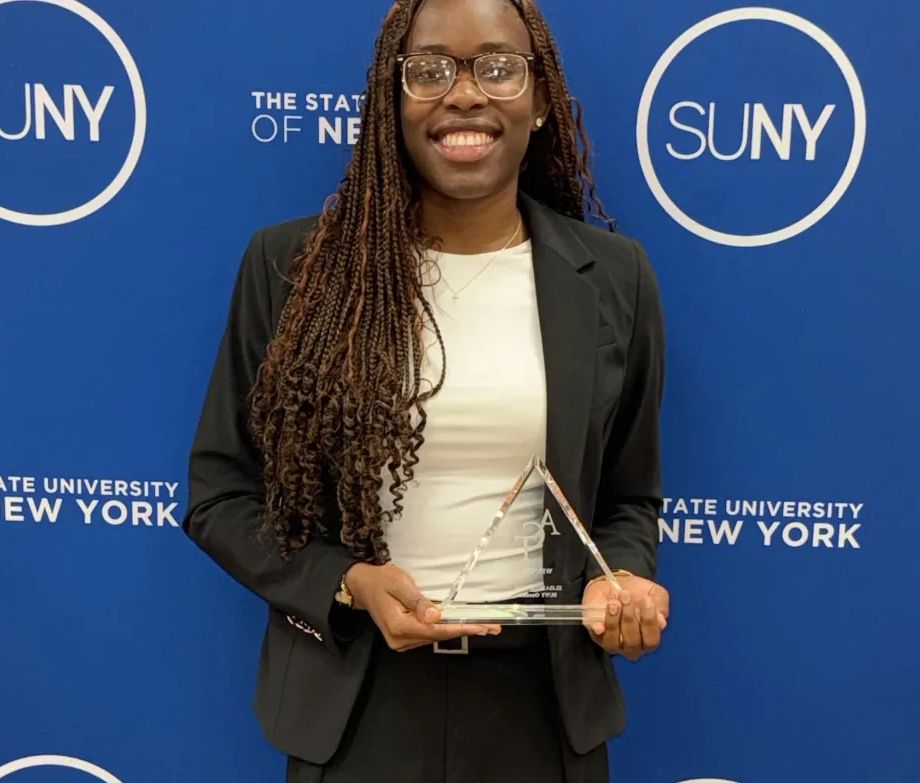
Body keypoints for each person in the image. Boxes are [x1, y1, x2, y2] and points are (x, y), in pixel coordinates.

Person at [183, 0, 669, 780]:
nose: (465, 93)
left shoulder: (615, 279)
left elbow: (626, 499)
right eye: (430, 68)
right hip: (356, 700)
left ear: (541, 100)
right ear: (392, 99)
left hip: (541, 704)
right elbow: (220, 495)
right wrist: (348, 581)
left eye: (499, 66)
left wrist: (619, 581)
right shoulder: (293, 273)